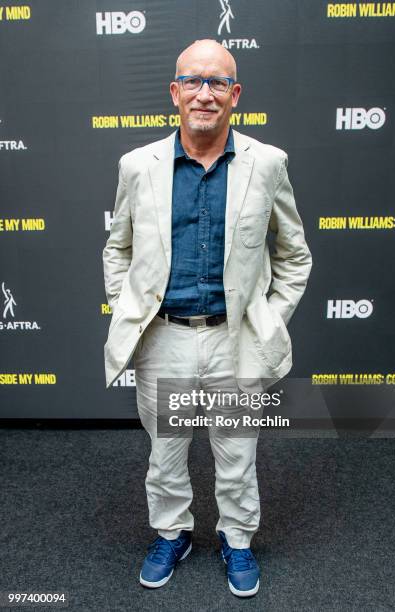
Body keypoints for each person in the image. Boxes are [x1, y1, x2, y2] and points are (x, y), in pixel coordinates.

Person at [103, 39, 312, 598]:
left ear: (234, 95)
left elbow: (294, 254)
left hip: (235, 343)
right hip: (165, 339)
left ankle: (237, 540)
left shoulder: (268, 164)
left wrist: (270, 316)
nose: (205, 93)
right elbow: (117, 248)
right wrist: (128, 306)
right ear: (174, 92)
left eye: (218, 82)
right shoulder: (137, 166)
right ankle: (172, 533)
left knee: (237, 454)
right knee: (165, 453)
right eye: (193, 81)